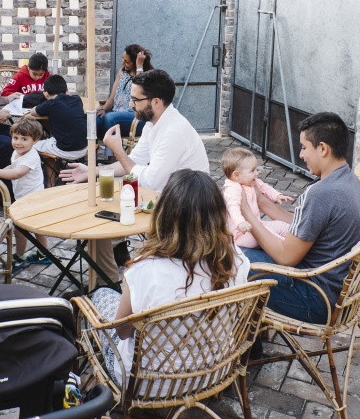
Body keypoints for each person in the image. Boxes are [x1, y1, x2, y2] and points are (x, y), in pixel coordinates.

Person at [87, 169, 250, 383]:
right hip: (214, 372)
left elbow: (122, 332)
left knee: (101, 294)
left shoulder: (144, 269)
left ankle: (92, 381)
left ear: (164, 214)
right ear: (219, 215)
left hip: (148, 384)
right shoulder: (236, 259)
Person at [59, 69, 209, 285]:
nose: (130, 104)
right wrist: (91, 171)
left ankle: (107, 279)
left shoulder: (174, 131)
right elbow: (133, 163)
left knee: (102, 219)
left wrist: (117, 150)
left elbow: (148, 180)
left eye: (135, 100)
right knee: (101, 213)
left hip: (184, 212)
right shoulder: (153, 123)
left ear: (156, 102)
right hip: (163, 199)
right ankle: (110, 269)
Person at [241, 112, 360, 324]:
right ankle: (252, 333)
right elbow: (303, 226)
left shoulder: (320, 193)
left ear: (323, 148)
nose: (301, 155)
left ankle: (241, 335)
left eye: (303, 147)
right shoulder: (349, 179)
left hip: (317, 299)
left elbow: (286, 257)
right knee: (253, 245)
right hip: (341, 294)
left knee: (229, 257)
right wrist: (260, 200)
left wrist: (247, 214)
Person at [0, 116, 51, 267]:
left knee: (20, 230)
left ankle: (19, 256)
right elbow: (13, 166)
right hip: (25, 198)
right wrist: (1, 172)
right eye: (15, 138)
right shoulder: (18, 152)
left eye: (24, 139)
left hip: (33, 200)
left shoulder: (31, 156)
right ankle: (44, 254)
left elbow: (18, 173)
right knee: (36, 229)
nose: (18, 142)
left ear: (35, 140)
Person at [220, 148, 294, 249]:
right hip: (243, 234)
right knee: (269, 234)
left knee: (282, 225)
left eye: (256, 169)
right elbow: (233, 208)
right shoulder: (232, 189)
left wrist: (277, 195)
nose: (257, 173)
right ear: (236, 175)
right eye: (252, 170)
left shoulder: (250, 181)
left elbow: (265, 187)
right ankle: (287, 248)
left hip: (257, 225)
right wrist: (240, 222)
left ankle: (293, 240)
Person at [97, 44, 153, 159]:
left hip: (136, 118)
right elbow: (112, 98)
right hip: (117, 114)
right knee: (96, 119)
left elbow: (139, 89)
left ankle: (111, 159)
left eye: (127, 62)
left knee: (110, 118)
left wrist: (139, 66)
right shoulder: (122, 72)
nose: (123, 63)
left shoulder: (146, 75)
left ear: (136, 62)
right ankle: (89, 157)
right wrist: (103, 109)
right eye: (123, 59)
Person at [32, 75, 87, 186]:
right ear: (67, 90)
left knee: (33, 146)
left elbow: (33, 112)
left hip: (65, 149)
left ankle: (50, 183)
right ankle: (57, 169)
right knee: (53, 141)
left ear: (45, 94)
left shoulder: (51, 103)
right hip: (84, 148)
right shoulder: (77, 99)